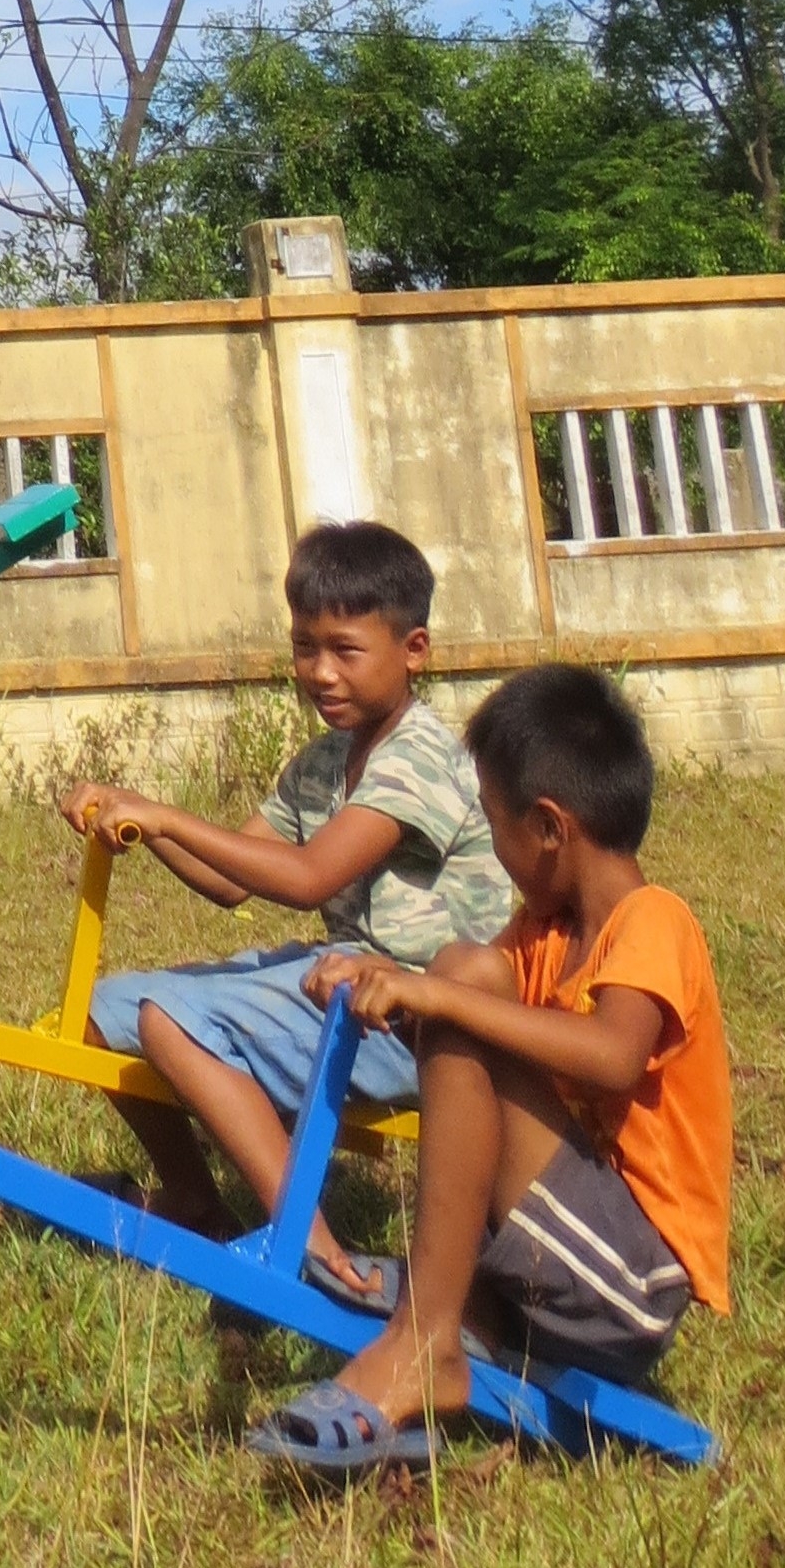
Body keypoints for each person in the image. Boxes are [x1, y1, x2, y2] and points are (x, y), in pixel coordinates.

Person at [252, 663, 733, 1471]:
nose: (490, 843)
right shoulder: (539, 934)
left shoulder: (654, 920)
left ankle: (426, 1338)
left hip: (630, 1284)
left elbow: (614, 1057)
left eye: (492, 820)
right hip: (559, 1253)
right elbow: (459, 1008)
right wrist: (373, 977)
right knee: (463, 972)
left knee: (460, 990)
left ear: (548, 827)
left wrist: (434, 998)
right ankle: (449, 1312)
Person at [58, 520, 513, 1294]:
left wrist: (165, 814)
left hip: (419, 1015)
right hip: (344, 977)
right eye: (305, 647)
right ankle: (197, 1200)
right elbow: (231, 878)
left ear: (413, 651)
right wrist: (136, 820)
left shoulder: (421, 755)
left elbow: (305, 877)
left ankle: (314, 1247)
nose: (321, 672)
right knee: (110, 1010)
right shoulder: (324, 761)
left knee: (171, 1019)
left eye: (344, 649)